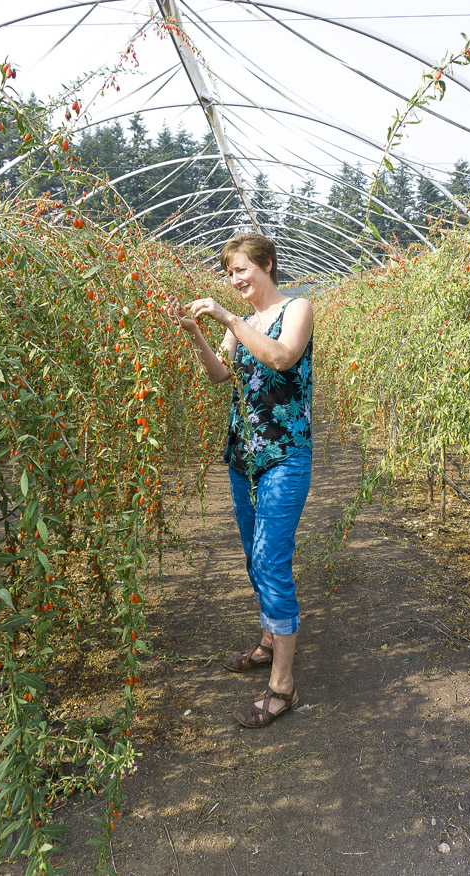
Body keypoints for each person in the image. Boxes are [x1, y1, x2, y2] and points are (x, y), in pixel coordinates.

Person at [167, 233, 313, 727]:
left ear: (268, 265)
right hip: (244, 457)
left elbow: (280, 358)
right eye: (229, 274)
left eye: (242, 270)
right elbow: (218, 375)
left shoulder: (297, 309)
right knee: (254, 555)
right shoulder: (244, 322)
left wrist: (228, 317)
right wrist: (196, 333)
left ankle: (283, 684)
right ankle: (269, 639)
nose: (235, 281)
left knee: (272, 559)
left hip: (284, 455)